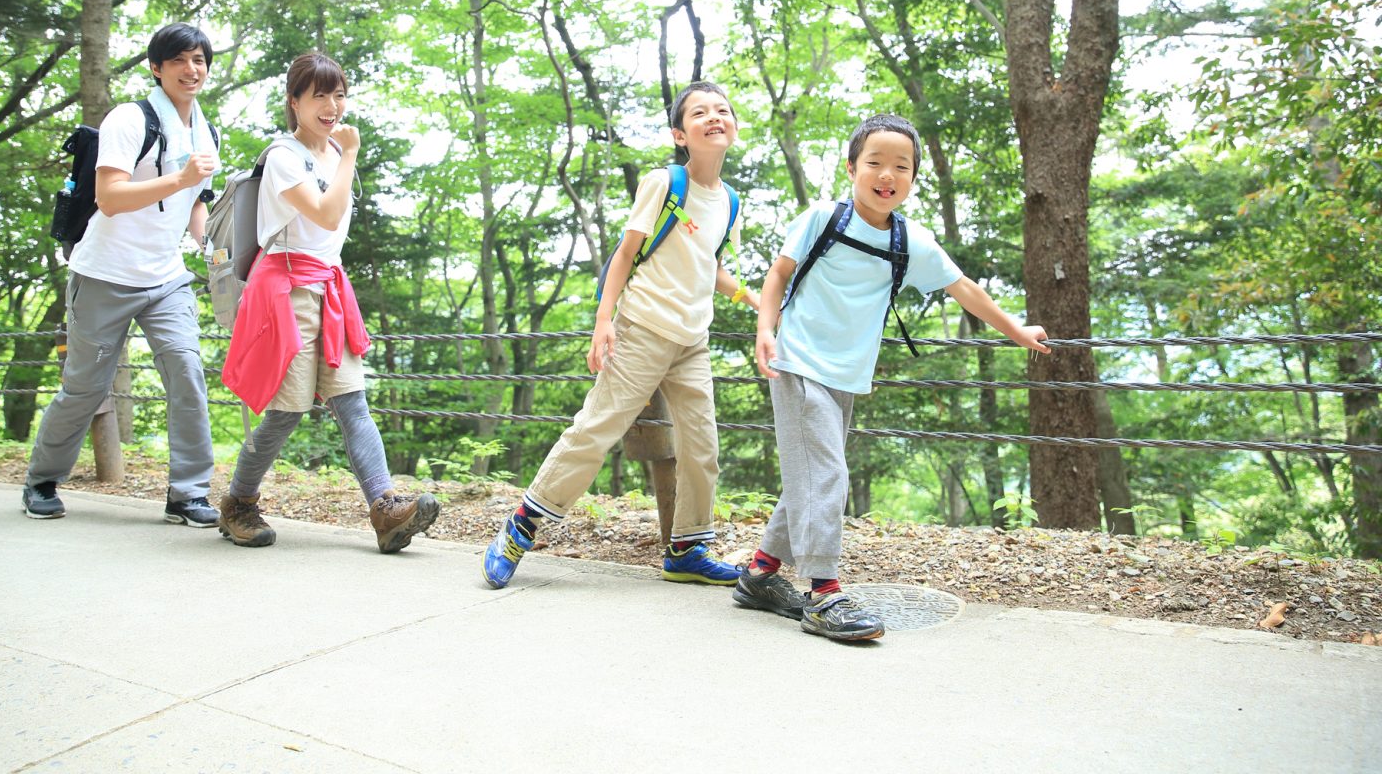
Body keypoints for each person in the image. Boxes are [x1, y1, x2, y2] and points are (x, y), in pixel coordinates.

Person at [743, 113, 1051, 642]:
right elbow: (778, 274)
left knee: (812, 473)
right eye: (875, 163)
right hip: (795, 361)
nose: (887, 175)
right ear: (851, 168)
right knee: (826, 473)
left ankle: (760, 574)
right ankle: (823, 593)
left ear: (912, 178)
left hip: (847, 374)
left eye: (901, 166)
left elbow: (965, 289)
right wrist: (764, 331)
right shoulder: (823, 218)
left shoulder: (912, 242)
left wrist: (1016, 330)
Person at [482, 80, 758, 589]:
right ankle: (521, 526)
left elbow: (710, 266)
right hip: (642, 329)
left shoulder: (731, 202)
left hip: (692, 341)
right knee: (596, 430)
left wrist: (753, 298)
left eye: (723, 110)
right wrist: (603, 323)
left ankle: (686, 549)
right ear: (681, 133)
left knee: (703, 445)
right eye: (700, 112)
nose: (715, 117)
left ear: (735, 127)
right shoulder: (664, 182)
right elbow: (626, 253)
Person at [217, 51, 439, 553]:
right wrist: (352, 154)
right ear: (294, 101)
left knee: (352, 401)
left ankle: (385, 508)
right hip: (286, 290)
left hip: (331, 290)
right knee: (284, 412)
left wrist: (343, 155)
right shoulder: (283, 157)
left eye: (339, 94)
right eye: (319, 95)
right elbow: (322, 215)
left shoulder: (333, 156)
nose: (332, 106)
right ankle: (237, 503)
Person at [23, 23, 222, 525]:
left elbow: (196, 202)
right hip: (104, 275)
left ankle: (188, 493)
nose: (190, 69)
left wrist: (212, 248)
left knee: (187, 370)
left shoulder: (205, 129)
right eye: (178, 60)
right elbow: (110, 197)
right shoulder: (129, 119)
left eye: (199, 60)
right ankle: (42, 479)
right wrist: (180, 177)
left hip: (166, 278)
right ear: (156, 67)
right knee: (86, 387)